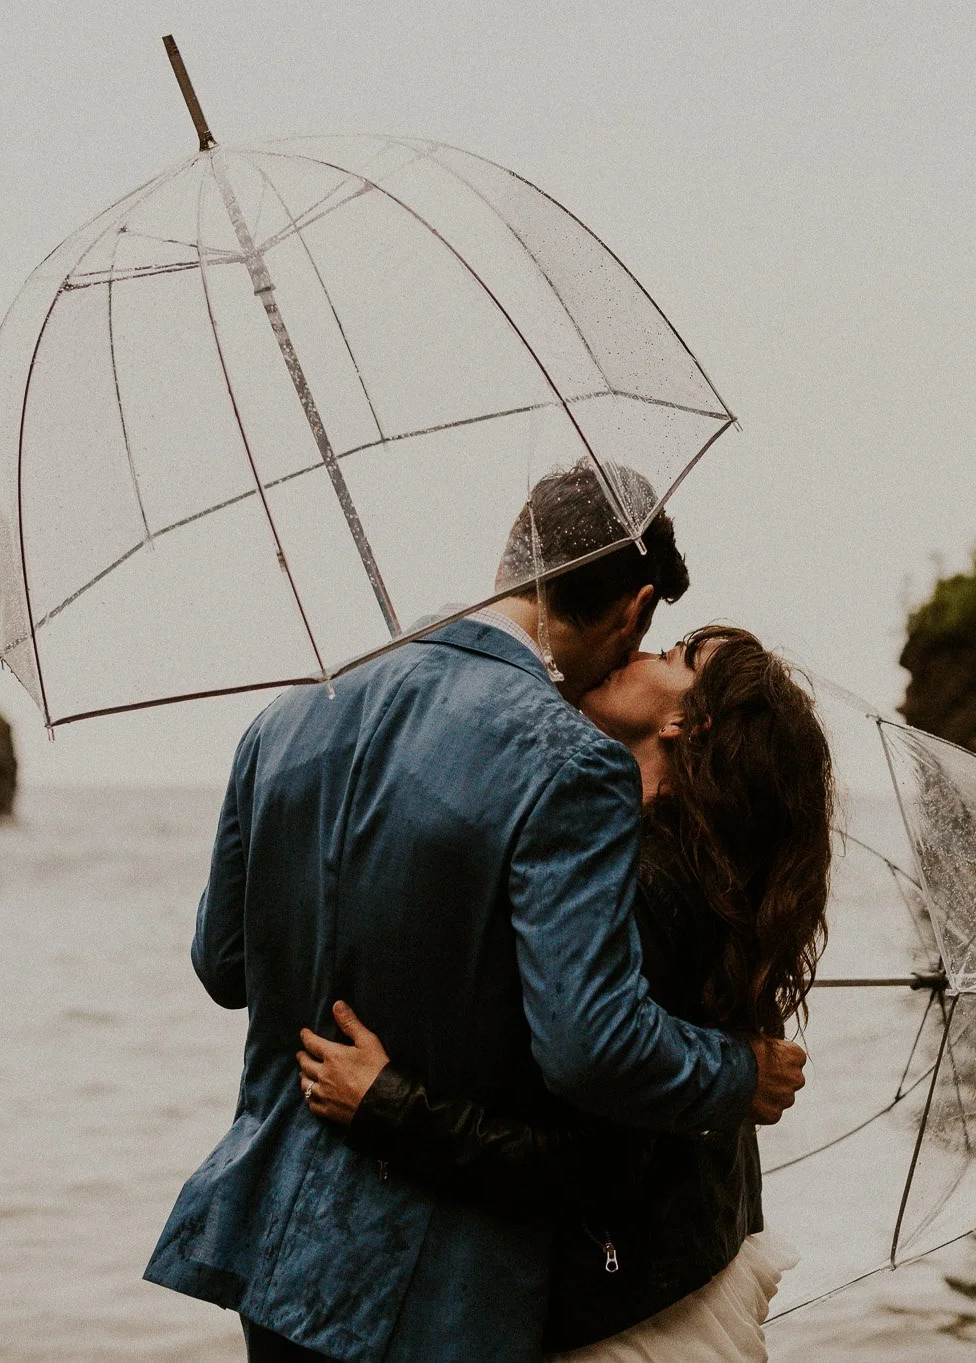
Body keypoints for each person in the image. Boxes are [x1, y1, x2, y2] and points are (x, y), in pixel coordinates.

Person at [144, 467, 810, 1363]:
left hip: (276, 1256)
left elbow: (222, 963)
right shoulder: (573, 765)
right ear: (636, 608)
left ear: (515, 555)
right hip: (436, 1288)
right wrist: (737, 1071)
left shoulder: (287, 713)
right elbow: (590, 1045)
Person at [296, 625, 834, 1360]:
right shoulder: (697, 876)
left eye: (671, 656)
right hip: (688, 1277)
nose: (639, 655)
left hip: (631, 1322)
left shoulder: (643, 886)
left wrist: (389, 1107)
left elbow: (594, 1164)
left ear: (687, 722)